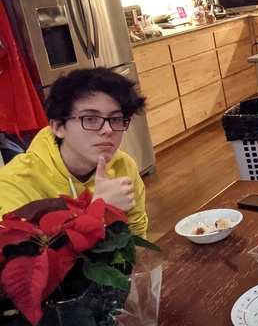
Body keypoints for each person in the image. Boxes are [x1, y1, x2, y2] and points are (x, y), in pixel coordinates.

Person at [0, 67, 149, 238]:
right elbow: (21, 260)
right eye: (90, 119)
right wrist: (97, 210)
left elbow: (136, 232)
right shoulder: (14, 184)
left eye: (115, 119)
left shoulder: (123, 165)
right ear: (58, 127)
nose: (107, 130)